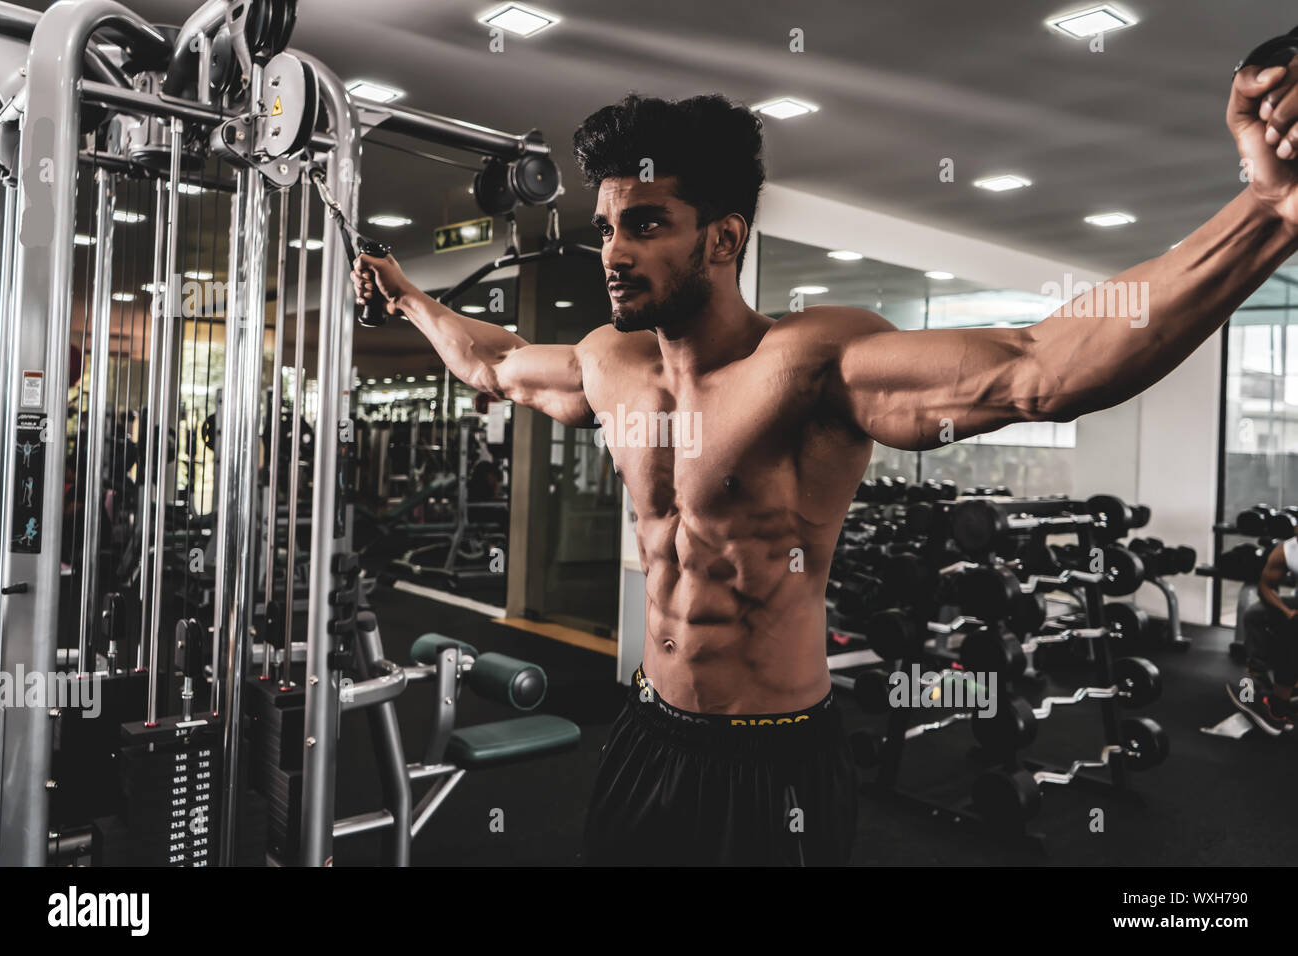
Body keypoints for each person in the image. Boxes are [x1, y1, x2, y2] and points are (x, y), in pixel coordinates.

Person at [353, 58, 1298, 864]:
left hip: (772, 759)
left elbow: (1040, 369)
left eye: (645, 224)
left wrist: (1268, 209)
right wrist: (408, 302)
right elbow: (497, 365)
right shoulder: (611, 364)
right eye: (607, 227)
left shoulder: (812, 365)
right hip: (646, 729)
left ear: (723, 237)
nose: (613, 250)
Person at [1231, 539, 1298, 734]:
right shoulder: (1288, 550)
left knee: (1293, 629)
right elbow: (1265, 587)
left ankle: (1277, 710)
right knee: (1255, 614)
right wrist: (1286, 612)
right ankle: (1259, 679)